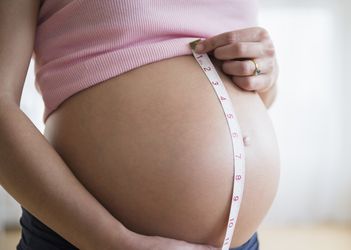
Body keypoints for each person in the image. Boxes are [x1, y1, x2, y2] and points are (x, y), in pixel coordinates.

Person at [0, 0, 280, 249]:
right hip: (88, 238)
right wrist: (112, 242)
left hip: (240, 242)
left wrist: (263, 75)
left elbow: (255, 96)